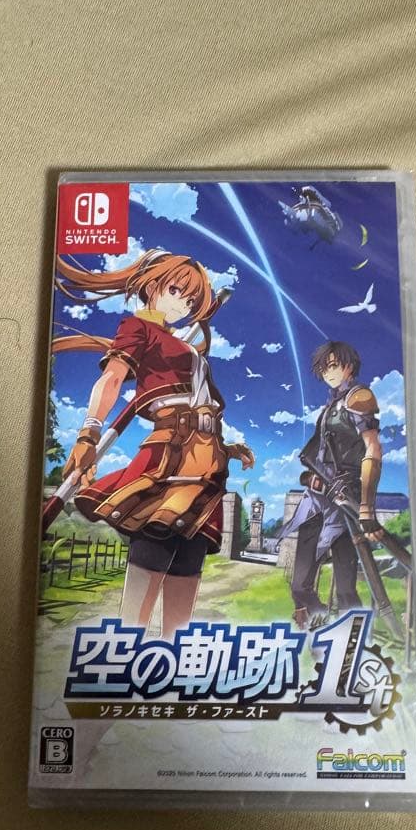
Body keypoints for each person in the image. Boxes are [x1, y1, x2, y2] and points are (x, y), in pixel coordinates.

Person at [53, 249, 254, 638]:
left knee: (190, 552)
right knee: (157, 536)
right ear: (152, 285)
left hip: (208, 461)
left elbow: (200, 403)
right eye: (176, 291)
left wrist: (227, 448)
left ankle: (173, 651)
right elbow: (112, 379)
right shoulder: (138, 329)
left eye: (191, 301)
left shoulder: (186, 346)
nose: (182, 305)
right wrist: (88, 432)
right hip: (171, 454)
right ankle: (126, 646)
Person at [279, 341, 384, 628]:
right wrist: (311, 477)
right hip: (317, 499)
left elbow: (373, 449)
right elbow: (318, 455)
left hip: (345, 502)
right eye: (324, 368)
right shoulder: (330, 407)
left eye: (334, 365)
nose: (329, 373)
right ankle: (323, 626)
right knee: (300, 585)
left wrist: (366, 507)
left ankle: (354, 637)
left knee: (346, 590)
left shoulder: (359, 397)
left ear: (349, 365)